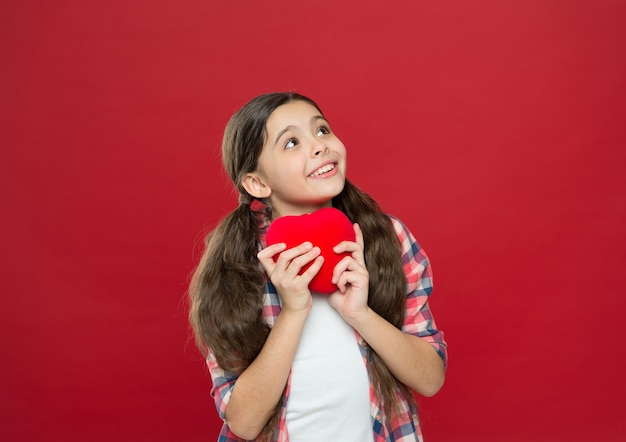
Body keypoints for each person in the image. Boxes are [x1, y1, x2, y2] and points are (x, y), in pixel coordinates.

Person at [189, 92, 447, 442]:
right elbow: (244, 423)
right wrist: (293, 312)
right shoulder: (238, 266)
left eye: (322, 130)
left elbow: (430, 379)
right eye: (292, 142)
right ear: (257, 183)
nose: (319, 146)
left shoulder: (388, 238)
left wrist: (360, 314)